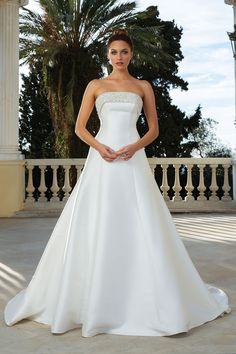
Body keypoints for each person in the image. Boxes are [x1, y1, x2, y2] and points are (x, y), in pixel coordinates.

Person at [4, 29, 231, 337]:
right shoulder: (96, 86)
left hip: (131, 159)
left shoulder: (143, 86)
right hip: (103, 160)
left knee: (141, 221)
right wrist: (100, 148)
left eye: (124, 51)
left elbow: (153, 129)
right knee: (100, 219)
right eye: (114, 52)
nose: (119, 57)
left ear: (131, 54)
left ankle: (143, 295)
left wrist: (134, 148)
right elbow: (81, 128)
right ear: (107, 55)